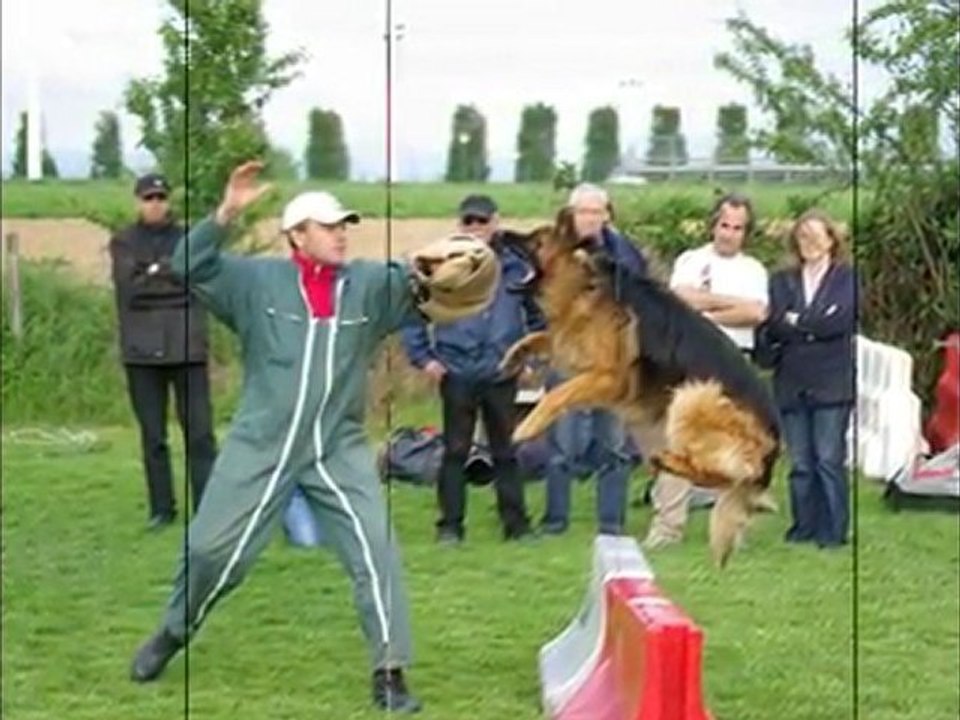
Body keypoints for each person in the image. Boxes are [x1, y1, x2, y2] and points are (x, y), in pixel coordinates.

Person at [128, 161, 500, 713]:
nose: (341, 233)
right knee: (210, 551)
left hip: (337, 446)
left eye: (344, 225)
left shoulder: (370, 285)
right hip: (262, 443)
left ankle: (390, 673)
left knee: (376, 549)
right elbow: (189, 264)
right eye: (328, 226)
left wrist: (464, 261)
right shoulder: (254, 283)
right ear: (297, 236)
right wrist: (226, 212)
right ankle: (172, 632)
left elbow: (432, 284)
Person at [401, 194, 544, 544]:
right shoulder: (440, 263)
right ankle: (450, 527)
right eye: (469, 221)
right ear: (459, 224)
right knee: (455, 451)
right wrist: (425, 359)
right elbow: (414, 313)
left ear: (495, 222)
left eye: (482, 221)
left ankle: (517, 527)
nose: (476, 228)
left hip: (502, 370)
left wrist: (529, 358)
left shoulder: (517, 266)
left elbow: (538, 317)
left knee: (506, 451)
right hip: (456, 370)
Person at [643, 192, 770, 550]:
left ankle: (731, 527)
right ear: (714, 225)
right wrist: (730, 305)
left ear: (746, 233)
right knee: (678, 442)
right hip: (691, 362)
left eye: (738, 228)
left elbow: (756, 313)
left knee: (734, 447)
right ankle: (667, 527)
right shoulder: (691, 260)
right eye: (724, 225)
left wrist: (706, 310)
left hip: (735, 364)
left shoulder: (753, 270)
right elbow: (680, 301)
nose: (729, 234)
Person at [108, 173, 217, 530]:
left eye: (160, 197)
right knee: (153, 436)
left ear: (169, 200)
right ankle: (161, 509)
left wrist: (153, 272)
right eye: (148, 198)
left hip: (187, 349)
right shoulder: (124, 241)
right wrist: (170, 273)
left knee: (200, 434)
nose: (155, 204)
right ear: (138, 201)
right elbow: (131, 289)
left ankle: (207, 509)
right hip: (141, 353)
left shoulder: (187, 238)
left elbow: (196, 285)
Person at [539, 183, 649, 537]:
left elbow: (641, 295)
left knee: (614, 445)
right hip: (568, 358)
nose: (590, 218)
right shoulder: (554, 253)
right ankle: (556, 521)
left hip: (613, 360)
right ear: (571, 215)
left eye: (596, 212)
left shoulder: (625, 252)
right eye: (583, 212)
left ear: (607, 215)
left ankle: (611, 522)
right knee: (562, 445)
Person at [756, 209, 856, 548]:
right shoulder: (781, 281)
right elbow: (775, 324)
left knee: (828, 459)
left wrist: (798, 323)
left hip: (832, 382)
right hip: (792, 379)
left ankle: (834, 530)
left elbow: (840, 322)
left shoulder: (846, 279)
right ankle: (803, 527)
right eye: (803, 236)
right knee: (800, 462)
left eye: (816, 236)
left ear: (831, 240)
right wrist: (807, 325)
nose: (809, 242)